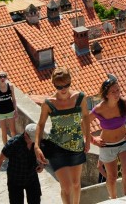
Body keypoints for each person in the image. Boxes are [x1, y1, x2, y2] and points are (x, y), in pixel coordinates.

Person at [34, 67, 91, 204]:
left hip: (77, 145)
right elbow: (40, 124)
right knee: (66, 186)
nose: (63, 89)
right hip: (57, 147)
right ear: (54, 84)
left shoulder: (80, 98)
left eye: (66, 85)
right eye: (59, 86)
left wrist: (88, 139)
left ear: (71, 81)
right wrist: (37, 146)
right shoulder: (48, 103)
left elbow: (86, 117)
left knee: (76, 183)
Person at [91, 75, 126, 199]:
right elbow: (83, 124)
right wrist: (93, 140)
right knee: (112, 177)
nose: (117, 93)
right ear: (106, 94)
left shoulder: (124, 103)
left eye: (118, 90)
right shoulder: (99, 109)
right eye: (113, 91)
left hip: (125, 141)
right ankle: (113, 199)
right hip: (107, 145)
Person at [0, 123, 44, 204]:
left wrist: (41, 166)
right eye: (33, 139)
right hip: (15, 180)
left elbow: (42, 158)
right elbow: (0, 160)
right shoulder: (13, 143)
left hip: (32, 178)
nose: (34, 141)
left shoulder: (37, 143)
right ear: (25, 135)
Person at [0, 71, 18, 145]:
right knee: (4, 131)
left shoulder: (11, 87)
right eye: (0, 77)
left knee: (13, 131)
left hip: (10, 111)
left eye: (4, 76)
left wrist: (16, 111)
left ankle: (15, 146)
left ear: (6, 78)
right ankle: (6, 147)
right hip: (1, 112)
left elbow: (14, 99)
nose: (2, 78)